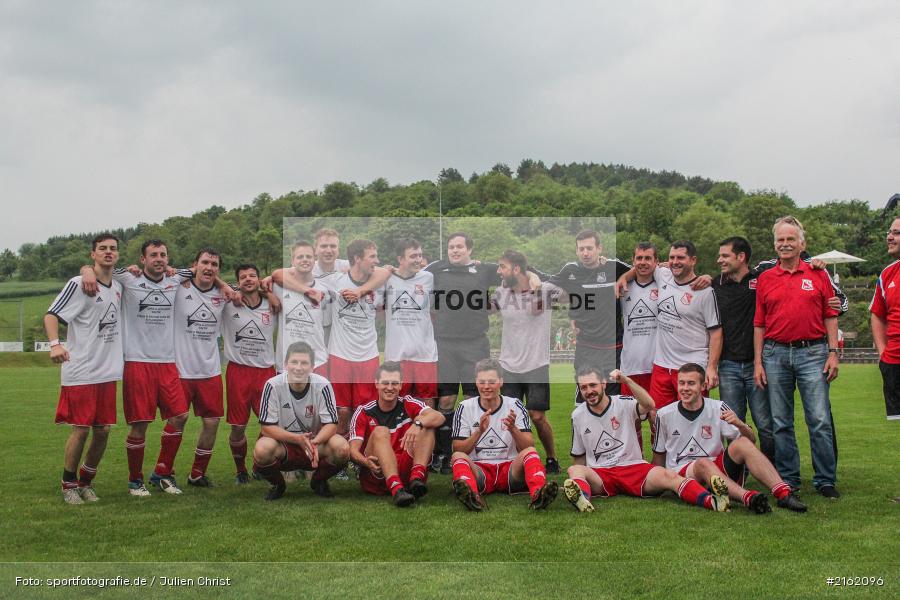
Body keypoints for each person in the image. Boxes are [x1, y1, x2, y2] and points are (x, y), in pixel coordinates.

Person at [79, 239, 203, 496]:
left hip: (168, 363)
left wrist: (225, 286)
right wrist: (86, 270)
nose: (159, 259)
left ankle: (162, 472)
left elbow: (199, 271)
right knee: (141, 424)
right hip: (137, 362)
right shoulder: (127, 277)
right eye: (154, 255)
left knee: (180, 416)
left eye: (163, 255)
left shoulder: (175, 277)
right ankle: (135, 481)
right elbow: (100, 267)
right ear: (143, 260)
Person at [426, 232, 541, 474]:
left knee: (471, 400)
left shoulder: (484, 270)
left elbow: (517, 269)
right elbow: (411, 273)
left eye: (459, 247)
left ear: (469, 250)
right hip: (444, 343)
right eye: (451, 247)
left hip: (474, 343)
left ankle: (471, 452)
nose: (454, 251)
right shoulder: (437, 269)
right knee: (445, 401)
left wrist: (534, 279)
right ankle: (443, 454)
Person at [562, 366, 729, 513]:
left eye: (593, 385)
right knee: (574, 470)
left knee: (669, 476)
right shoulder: (577, 415)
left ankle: (712, 502)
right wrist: (579, 479)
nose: (589, 391)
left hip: (633, 467)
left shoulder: (624, 403)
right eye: (583, 387)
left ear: (604, 384)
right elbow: (579, 455)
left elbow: (649, 404)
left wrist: (626, 380)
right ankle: (581, 499)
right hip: (601, 473)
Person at [754, 216, 841, 498]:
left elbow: (831, 314)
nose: (785, 244)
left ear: (802, 243)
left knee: (819, 419)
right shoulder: (766, 278)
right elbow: (760, 324)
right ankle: (789, 478)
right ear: (774, 244)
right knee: (781, 421)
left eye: (791, 239)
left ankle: (825, 479)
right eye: (780, 240)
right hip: (775, 353)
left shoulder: (818, 274)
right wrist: (758, 362)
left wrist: (833, 353)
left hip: (813, 353)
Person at [653, 363, 807, 513]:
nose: (685, 388)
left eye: (691, 383)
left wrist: (740, 424)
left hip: (719, 471)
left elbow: (751, 441)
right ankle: (747, 498)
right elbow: (658, 457)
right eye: (682, 383)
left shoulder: (718, 407)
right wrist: (662, 485)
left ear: (702, 386)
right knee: (702, 463)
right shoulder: (664, 414)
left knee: (742, 443)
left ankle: (784, 494)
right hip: (683, 475)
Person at [45, 234, 123, 504]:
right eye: (102, 249)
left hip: (108, 372)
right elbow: (51, 314)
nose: (108, 252)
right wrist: (55, 344)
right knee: (80, 429)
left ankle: (86, 482)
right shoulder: (79, 284)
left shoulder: (118, 283)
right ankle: (68, 484)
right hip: (81, 372)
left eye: (113, 248)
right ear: (93, 254)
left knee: (103, 431)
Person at [449, 359, 558, 511]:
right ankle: (472, 496)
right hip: (480, 470)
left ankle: (539, 494)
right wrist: (479, 431)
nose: (486, 386)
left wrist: (513, 428)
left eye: (492, 382)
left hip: (510, 470)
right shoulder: (465, 407)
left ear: (501, 382)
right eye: (482, 382)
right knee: (457, 457)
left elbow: (528, 445)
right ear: (476, 382)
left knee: (531, 452)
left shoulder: (514, 405)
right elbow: (458, 449)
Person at [493, 250, 562, 473]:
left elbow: (570, 293)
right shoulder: (501, 292)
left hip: (537, 364)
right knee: (510, 417)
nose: (498, 271)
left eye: (502, 267)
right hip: (508, 365)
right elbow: (480, 312)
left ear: (516, 269)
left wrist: (536, 282)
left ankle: (551, 458)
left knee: (537, 416)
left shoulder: (546, 290)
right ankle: (515, 460)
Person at [252, 342, 349, 500]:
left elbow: (332, 425)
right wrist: (297, 439)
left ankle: (318, 481)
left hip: (315, 444)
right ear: (285, 365)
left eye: (304, 363)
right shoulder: (272, 385)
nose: (298, 367)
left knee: (342, 448)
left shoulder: (323, 385)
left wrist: (314, 443)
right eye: (294, 362)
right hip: (283, 444)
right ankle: (278, 484)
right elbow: (267, 429)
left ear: (312, 367)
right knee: (262, 450)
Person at [713, 236, 775, 463]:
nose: (719, 260)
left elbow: (790, 260)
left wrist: (815, 263)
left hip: (758, 364)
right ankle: (739, 472)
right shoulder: (715, 283)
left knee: (765, 423)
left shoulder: (763, 278)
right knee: (732, 423)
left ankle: (772, 471)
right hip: (728, 365)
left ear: (741, 257)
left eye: (724, 255)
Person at [348, 362, 444, 507]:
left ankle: (416, 479)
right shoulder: (363, 411)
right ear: (377, 384)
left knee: (427, 423)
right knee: (381, 430)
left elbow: (439, 417)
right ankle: (396, 489)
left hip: (405, 468)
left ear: (400, 385)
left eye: (394, 383)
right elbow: (353, 451)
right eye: (385, 383)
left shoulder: (407, 402)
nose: (390, 388)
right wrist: (365, 462)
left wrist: (418, 424)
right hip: (377, 472)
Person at [550, 230, 631, 400]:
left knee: (614, 399)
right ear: (576, 251)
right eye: (581, 249)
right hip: (585, 347)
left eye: (589, 248)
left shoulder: (613, 266)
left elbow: (642, 271)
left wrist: (625, 276)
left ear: (599, 248)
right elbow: (551, 286)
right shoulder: (570, 270)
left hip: (613, 348)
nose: (585, 253)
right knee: (585, 397)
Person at [173, 248, 229, 487]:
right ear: (193, 265)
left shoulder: (224, 294)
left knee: (212, 422)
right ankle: (162, 471)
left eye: (214, 264)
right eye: (205, 263)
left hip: (210, 371)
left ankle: (197, 474)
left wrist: (223, 284)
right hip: (181, 370)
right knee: (177, 419)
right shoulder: (177, 287)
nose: (209, 268)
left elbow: (255, 286)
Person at [220, 263, 277, 484]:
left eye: (252, 275)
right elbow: (209, 279)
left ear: (259, 278)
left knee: (271, 424)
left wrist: (269, 292)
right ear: (238, 281)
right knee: (238, 426)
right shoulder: (229, 303)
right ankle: (240, 470)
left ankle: (258, 464)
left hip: (265, 372)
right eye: (242, 277)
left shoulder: (272, 305)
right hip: (238, 371)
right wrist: (229, 288)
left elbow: (283, 277)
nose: (248, 279)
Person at [382, 239, 438, 408]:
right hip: (397, 355)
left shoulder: (428, 278)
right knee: (397, 401)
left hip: (425, 353)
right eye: (413, 256)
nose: (418, 260)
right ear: (400, 259)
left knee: (427, 402)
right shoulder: (386, 277)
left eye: (420, 255)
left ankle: (429, 434)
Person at [273, 241, 330, 376]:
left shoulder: (324, 290)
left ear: (314, 260)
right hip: (286, 364)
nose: (304, 260)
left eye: (308, 256)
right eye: (300, 257)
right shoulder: (278, 287)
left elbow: (327, 327)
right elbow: (256, 287)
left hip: (317, 363)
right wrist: (268, 294)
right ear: (292, 261)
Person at [871, 216, 900, 425]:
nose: (890, 237)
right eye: (889, 233)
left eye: (897, 233)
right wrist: (883, 353)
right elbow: (878, 315)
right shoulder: (887, 274)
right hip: (893, 363)